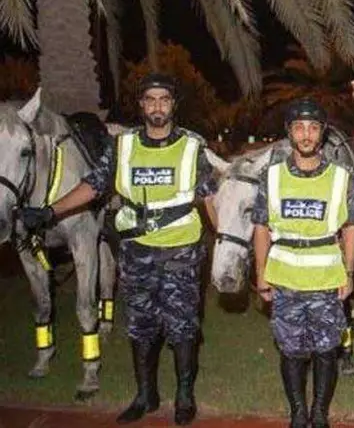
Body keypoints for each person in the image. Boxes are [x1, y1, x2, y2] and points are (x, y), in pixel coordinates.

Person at [21, 73, 218, 425]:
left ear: (173, 105)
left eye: (164, 99)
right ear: (141, 105)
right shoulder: (122, 146)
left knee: (184, 327)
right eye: (150, 99)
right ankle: (145, 395)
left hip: (180, 252)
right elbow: (93, 185)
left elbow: (211, 197)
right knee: (141, 326)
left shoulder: (192, 147)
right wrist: (52, 211)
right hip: (137, 250)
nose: (157, 106)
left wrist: (223, 241)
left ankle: (185, 396)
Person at [251, 98, 354, 428]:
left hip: (327, 278)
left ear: (323, 134)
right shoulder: (270, 178)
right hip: (285, 279)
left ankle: (320, 413)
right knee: (291, 351)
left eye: (313, 128)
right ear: (289, 133)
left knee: (327, 350)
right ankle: (298, 413)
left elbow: (351, 228)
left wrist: (350, 272)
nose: (306, 134)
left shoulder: (342, 178)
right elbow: (260, 227)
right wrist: (261, 274)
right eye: (299, 127)